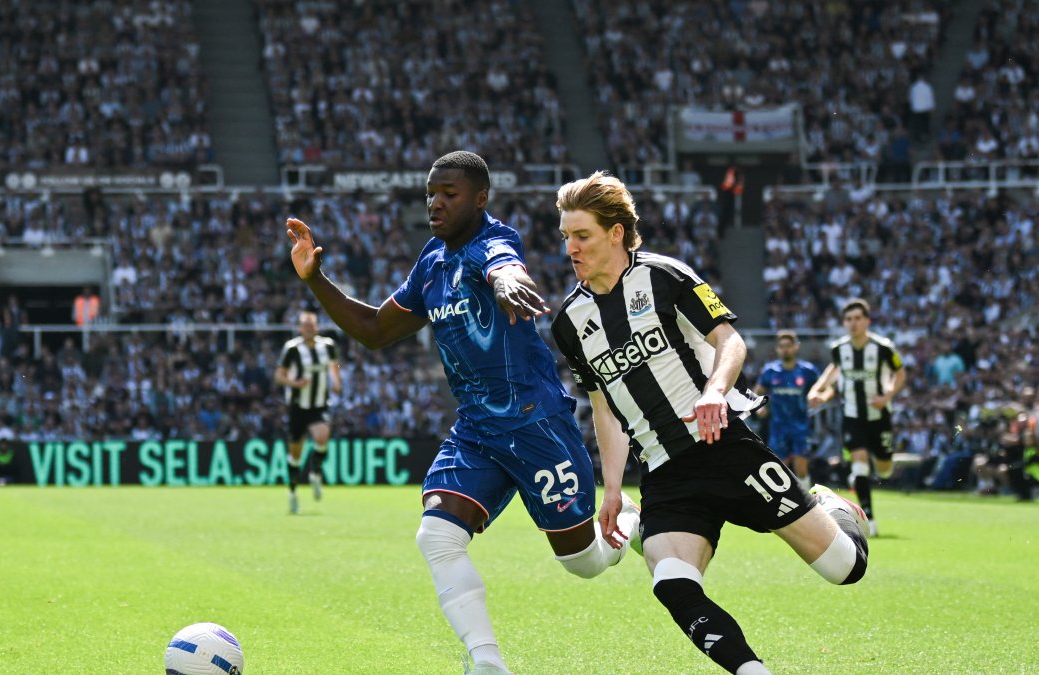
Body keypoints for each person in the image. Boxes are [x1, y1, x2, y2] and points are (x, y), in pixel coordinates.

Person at [286, 151, 641, 674]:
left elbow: (504, 263)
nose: (436, 203)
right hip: (476, 428)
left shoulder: (492, 242)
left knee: (583, 563)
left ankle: (629, 519)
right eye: (431, 193)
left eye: (449, 194)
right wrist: (315, 278)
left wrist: (505, 281)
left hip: (533, 421)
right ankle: (487, 664)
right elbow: (375, 332)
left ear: (480, 199)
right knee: (436, 536)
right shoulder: (431, 264)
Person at [549, 172, 868, 674]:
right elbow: (604, 406)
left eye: (581, 235)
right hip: (664, 469)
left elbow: (730, 341)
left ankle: (830, 505)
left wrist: (715, 391)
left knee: (846, 569)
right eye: (565, 236)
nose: (571, 247)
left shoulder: (664, 276)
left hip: (724, 447)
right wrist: (610, 488)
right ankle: (752, 671)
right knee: (671, 583)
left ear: (615, 232)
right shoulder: (569, 322)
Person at [808, 299, 907, 537]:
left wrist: (887, 395)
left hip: (879, 415)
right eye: (849, 319)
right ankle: (869, 519)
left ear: (867, 321)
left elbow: (900, 373)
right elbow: (834, 374)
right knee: (860, 462)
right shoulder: (839, 349)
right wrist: (818, 391)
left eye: (857, 319)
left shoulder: (883, 347)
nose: (853, 323)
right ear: (844, 322)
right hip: (852, 415)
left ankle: (874, 468)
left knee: (884, 469)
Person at [273, 310, 341, 513]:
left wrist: (336, 381)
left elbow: (334, 365)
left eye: (312, 325)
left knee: (322, 436)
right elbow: (279, 375)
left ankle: (316, 472)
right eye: (305, 326)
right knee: (295, 454)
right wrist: (294, 383)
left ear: (317, 327)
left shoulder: (327, 346)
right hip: (297, 406)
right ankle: (293, 492)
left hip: (319, 404)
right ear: (300, 328)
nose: (309, 329)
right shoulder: (292, 348)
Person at [755, 330, 821, 492]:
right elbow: (757, 393)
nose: (785, 349)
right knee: (780, 469)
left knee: (801, 467)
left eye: (788, 346)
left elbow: (824, 388)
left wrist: (819, 397)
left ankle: (808, 501)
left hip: (801, 426)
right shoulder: (770, 371)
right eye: (782, 346)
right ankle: (784, 506)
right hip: (778, 427)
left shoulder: (808, 371)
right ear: (777, 349)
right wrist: (760, 407)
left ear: (796, 347)